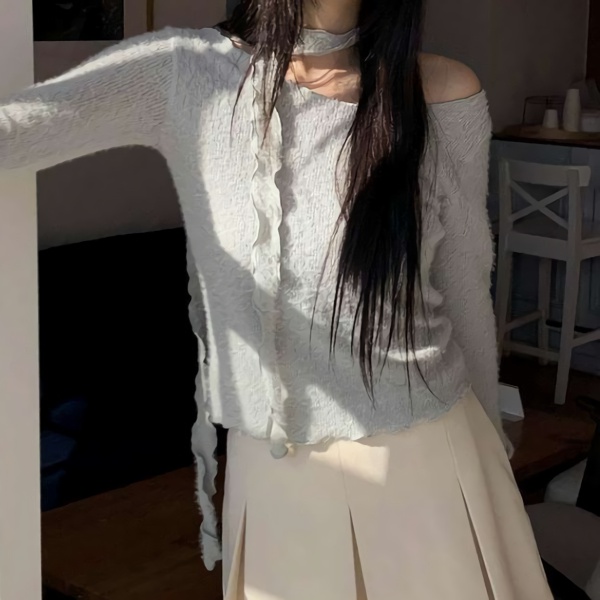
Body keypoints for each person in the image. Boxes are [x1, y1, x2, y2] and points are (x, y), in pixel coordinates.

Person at [0, 0, 553, 597]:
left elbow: (466, 283)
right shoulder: (186, 72)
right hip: (275, 471)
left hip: (434, 456)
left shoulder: (440, 90)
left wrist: (491, 455)